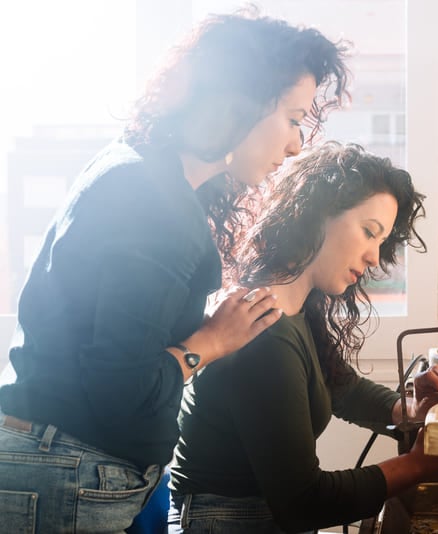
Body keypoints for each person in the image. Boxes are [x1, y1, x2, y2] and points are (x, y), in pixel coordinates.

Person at [0, 6, 350, 532]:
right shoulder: (153, 203)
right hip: (67, 471)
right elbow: (119, 387)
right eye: (294, 119)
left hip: (62, 463)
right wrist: (211, 341)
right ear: (241, 101)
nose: (298, 144)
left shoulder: (143, 173)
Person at [167, 141, 438, 533]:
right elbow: (304, 502)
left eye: (381, 241)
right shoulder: (266, 332)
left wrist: (408, 407)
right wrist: (419, 464)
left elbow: (341, 388)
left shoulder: (292, 306)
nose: (375, 257)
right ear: (316, 217)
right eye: (368, 232)